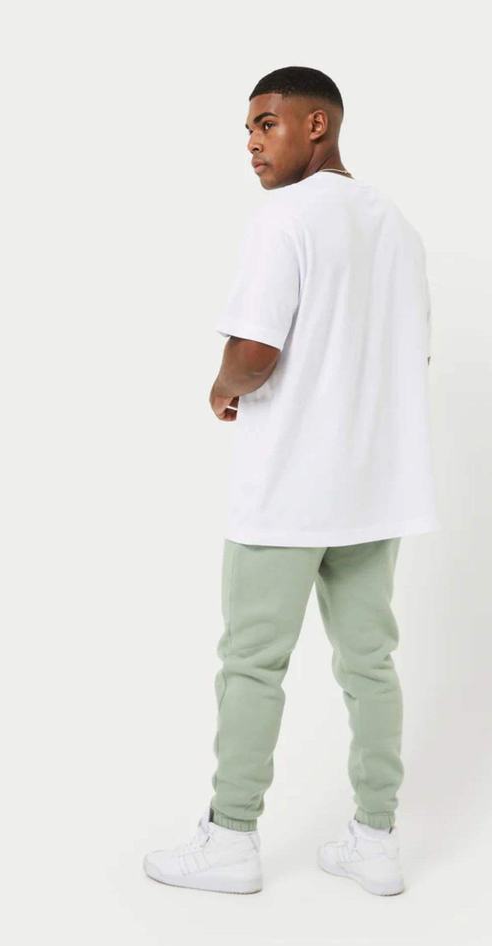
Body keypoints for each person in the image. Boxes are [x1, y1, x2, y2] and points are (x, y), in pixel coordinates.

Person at [143, 66, 438, 897]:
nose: (251, 143)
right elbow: (414, 355)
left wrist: (221, 387)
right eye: (247, 130)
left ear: (318, 125)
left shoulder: (285, 218)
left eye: (266, 124)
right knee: (371, 664)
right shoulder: (398, 226)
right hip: (376, 490)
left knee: (251, 664)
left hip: (286, 491)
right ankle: (375, 840)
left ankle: (231, 838)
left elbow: (255, 351)